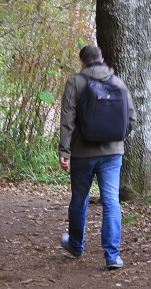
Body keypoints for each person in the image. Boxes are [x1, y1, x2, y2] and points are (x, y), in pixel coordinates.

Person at [58, 44, 136, 269]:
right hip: (113, 153)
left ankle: (75, 245)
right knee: (111, 201)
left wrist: (65, 150)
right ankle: (112, 256)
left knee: (79, 199)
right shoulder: (118, 82)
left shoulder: (76, 81)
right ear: (102, 59)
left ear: (82, 62)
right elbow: (131, 119)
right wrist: (116, 137)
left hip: (83, 153)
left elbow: (67, 120)